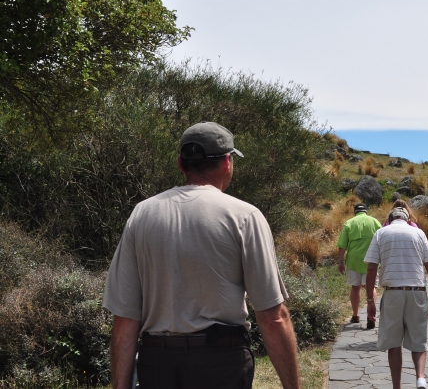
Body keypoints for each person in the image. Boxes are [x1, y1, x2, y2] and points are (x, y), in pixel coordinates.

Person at [103, 121, 299, 389]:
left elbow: (125, 319)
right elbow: (273, 318)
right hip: (221, 364)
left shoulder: (141, 215)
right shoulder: (244, 216)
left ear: (181, 164)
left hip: (158, 365)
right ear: (227, 162)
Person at [365, 208, 428, 389]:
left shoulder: (381, 233)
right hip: (417, 291)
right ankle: (420, 378)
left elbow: (371, 268)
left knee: (393, 342)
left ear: (390, 219)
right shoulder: (418, 233)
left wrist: (370, 300)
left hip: (393, 292)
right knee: (419, 339)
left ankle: (396, 386)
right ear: (407, 219)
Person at [337, 202, 382, 329]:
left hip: (354, 261)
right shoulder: (375, 222)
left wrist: (340, 262)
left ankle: (355, 315)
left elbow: (342, 245)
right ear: (366, 211)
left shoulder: (349, 223)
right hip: (371, 260)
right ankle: (370, 314)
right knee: (371, 287)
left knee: (355, 288)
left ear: (355, 212)